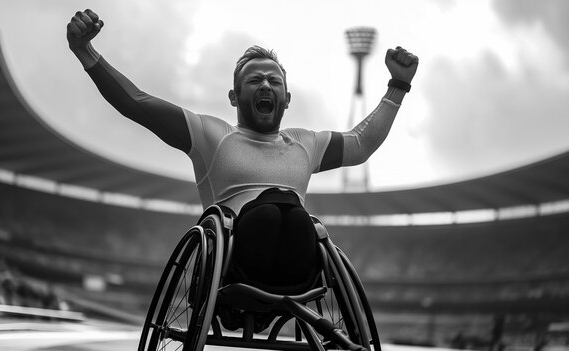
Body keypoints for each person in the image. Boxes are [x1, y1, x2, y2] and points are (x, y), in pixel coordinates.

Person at [66, 9, 418, 294]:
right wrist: (87, 52)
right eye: (254, 80)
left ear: (287, 99)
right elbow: (137, 102)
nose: (265, 84)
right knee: (272, 214)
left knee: (297, 219)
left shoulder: (305, 143)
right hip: (232, 265)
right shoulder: (212, 136)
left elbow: (360, 144)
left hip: (296, 267)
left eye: (274, 81)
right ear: (234, 98)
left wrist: (398, 86)